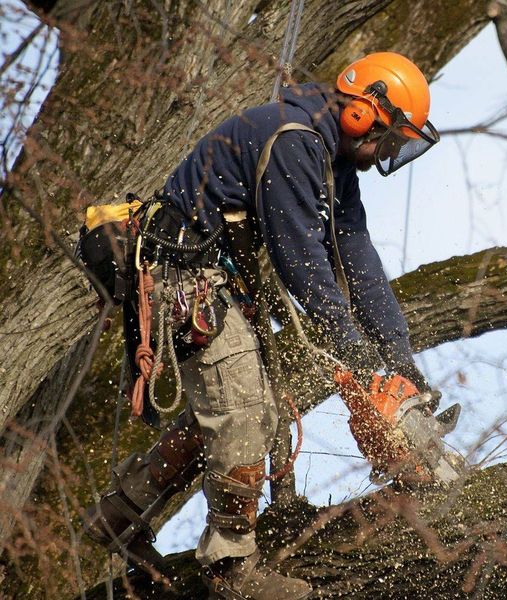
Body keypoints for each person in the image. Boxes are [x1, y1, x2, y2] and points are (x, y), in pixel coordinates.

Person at [81, 52, 448, 600]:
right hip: (187, 273)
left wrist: (398, 359)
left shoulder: (334, 160)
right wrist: (357, 357)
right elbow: (305, 265)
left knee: (249, 409)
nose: (384, 156)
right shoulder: (294, 140)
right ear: (363, 111)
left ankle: (119, 513)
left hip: (218, 279)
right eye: (388, 140)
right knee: (244, 412)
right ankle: (232, 569)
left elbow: (355, 255)